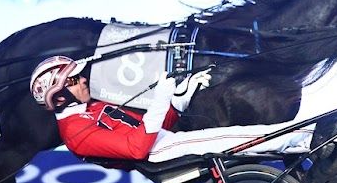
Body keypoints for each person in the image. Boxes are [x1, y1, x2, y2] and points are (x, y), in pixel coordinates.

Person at [29, 56, 313, 162]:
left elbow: (159, 122)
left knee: (247, 136)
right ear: (60, 97)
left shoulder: (92, 108)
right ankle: (311, 137)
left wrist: (181, 95)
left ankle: (304, 142)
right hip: (161, 152)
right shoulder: (77, 132)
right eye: (75, 80)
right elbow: (138, 148)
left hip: (165, 141)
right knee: (243, 137)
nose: (83, 80)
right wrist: (162, 96)